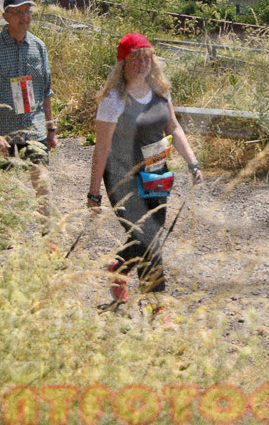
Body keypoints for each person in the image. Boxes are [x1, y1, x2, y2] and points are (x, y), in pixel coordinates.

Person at [87, 33, 203, 313]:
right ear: (123, 63)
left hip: (157, 174)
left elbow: (173, 128)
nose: (142, 62)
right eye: (135, 57)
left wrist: (192, 162)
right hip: (122, 177)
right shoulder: (113, 100)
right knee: (149, 238)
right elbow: (101, 149)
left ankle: (118, 267)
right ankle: (156, 307)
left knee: (148, 235)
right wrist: (93, 193)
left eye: (146, 56)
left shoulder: (161, 91)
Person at [0, 0, 57, 223]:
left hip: (33, 125)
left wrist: (51, 130)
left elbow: (46, 92)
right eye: (18, 12)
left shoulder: (39, 47)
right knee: (3, 183)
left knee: (41, 179)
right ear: (5, 17)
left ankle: (48, 234)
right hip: (1, 128)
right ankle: (4, 234)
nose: (25, 17)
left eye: (28, 11)